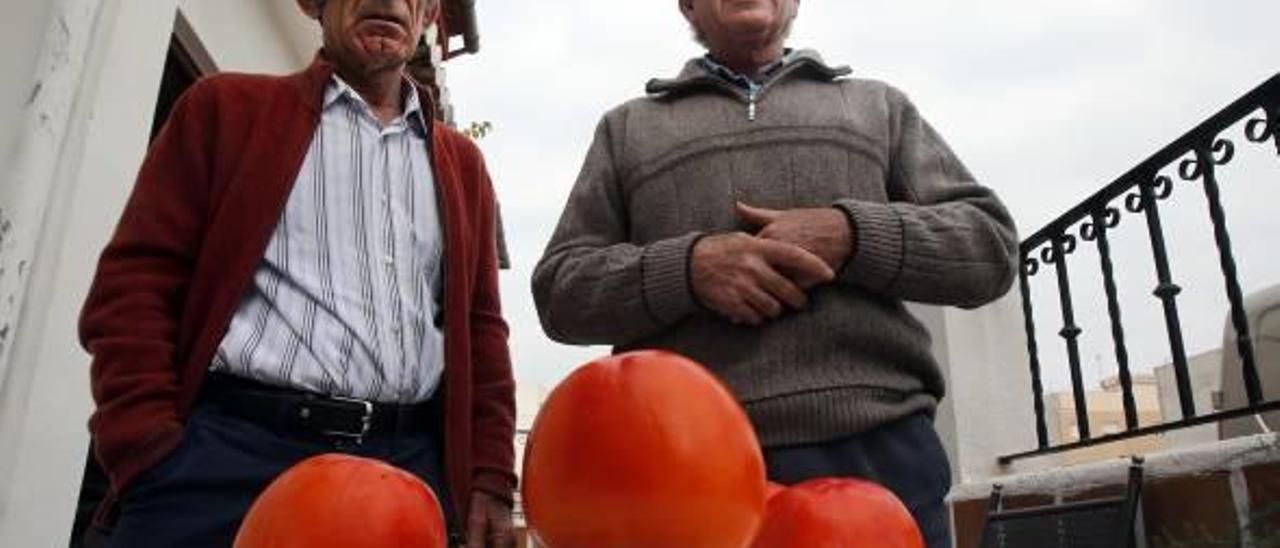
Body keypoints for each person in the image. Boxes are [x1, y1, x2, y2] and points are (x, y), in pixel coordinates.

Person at [531, 1, 1017, 545]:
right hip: (677, 476)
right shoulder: (627, 129)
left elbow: (990, 246)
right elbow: (561, 290)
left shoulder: (877, 106)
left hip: (881, 456)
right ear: (688, 4)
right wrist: (690, 269)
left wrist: (851, 234)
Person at [78, 0, 515, 546]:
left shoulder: (462, 166)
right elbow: (135, 284)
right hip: (223, 464)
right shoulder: (226, 109)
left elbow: (481, 329)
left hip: (403, 475)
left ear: (428, 12)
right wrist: (147, 448)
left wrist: (491, 476)